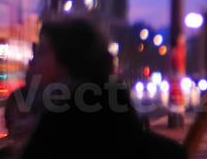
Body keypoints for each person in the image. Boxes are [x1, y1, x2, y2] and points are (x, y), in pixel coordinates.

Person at [19, 18, 148, 158]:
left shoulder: (64, 124)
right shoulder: (112, 108)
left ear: (68, 62)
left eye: (42, 52)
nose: (33, 60)